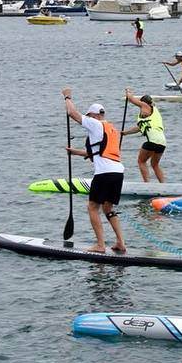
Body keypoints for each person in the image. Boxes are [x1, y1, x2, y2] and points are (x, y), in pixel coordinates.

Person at [61, 88, 125, 253]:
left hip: (104, 173)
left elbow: (73, 113)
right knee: (108, 208)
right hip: (118, 172)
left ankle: (100, 245)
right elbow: (97, 152)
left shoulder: (95, 123)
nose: (88, 119)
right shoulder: (111, 128)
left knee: (92, 207)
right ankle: (120, 242)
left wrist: (67, 97)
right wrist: (75, 152)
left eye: (89, 116)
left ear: (94, 115)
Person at [121, 90, 166, 183]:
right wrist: (125, 133)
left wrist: (129, 93)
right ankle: (163, 184)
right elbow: (139, 128)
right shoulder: (153, 113)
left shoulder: (145, 106)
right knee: (154, 164)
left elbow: (132, 100)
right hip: (162, 142)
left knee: (141, 161)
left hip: (152, 140)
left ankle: (147, 184)